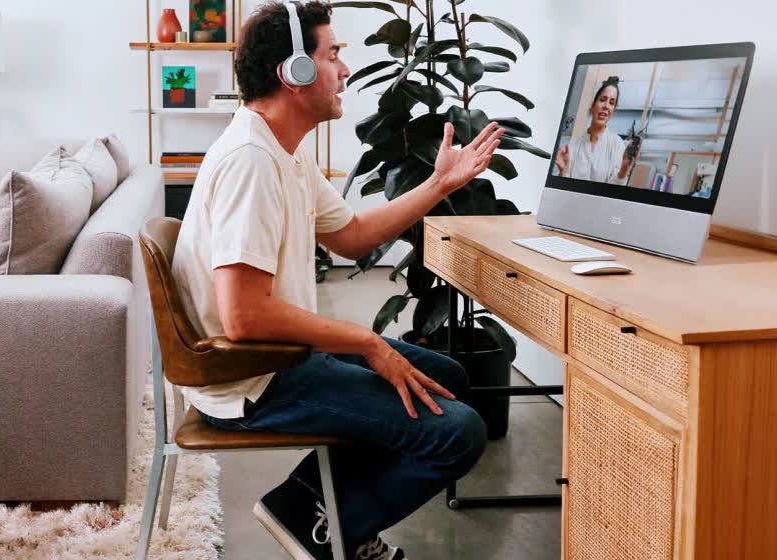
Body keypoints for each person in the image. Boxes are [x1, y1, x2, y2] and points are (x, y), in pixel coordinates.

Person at [171, 2, 505, 559]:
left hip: (278, 357)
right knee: (459, 432)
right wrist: (368, 343)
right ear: (295, 72)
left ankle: (309, 509)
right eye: (333, 56)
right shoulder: (251, 161)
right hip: (249, 376)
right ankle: (328, 528)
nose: (344, 70)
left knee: (446, 376)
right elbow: (244, 316)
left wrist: (438, 185)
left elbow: (351, 237)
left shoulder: (284, 150)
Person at [555, 76, 640, 185]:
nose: (606, 106)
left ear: (613, 110)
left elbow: (613, 190)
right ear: (593, 105)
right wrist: (563, 172)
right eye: (602, 100)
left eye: (611, 103)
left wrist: (624, 170)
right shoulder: (573, 146)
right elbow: (565, 188)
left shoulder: (618, 145)